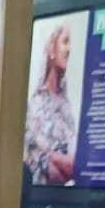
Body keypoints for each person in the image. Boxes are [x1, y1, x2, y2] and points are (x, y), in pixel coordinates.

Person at [25, 24, 77, 187]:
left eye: (70, 43)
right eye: (65, 42)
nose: (68, 49)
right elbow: (47, 164)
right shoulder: (37, 103)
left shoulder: (66, 105)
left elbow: (73, 164)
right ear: (52, 50)